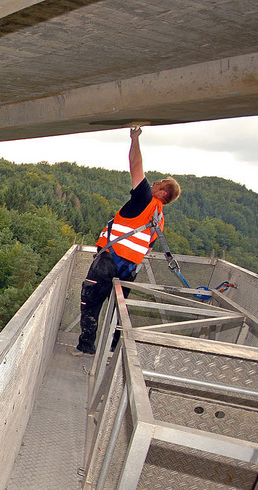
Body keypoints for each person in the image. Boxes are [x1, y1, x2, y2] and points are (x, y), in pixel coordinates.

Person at [75, 126, 180, 356]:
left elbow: (135, 167)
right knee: (117, 310)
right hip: (129, 269)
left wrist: (134, 139)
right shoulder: (158, 219)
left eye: (159, 183)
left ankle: (86, 348)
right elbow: (147, 246)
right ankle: (112, 350)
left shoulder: (145, 200)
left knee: (90, 302)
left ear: (164, 193)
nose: (154, 183)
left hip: (109, 260)